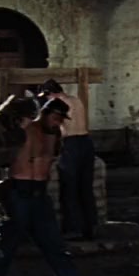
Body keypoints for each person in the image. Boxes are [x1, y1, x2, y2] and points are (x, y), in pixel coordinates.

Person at [0, 98, 103, 276]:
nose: (58, 122)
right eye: (55, 117)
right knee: (5, 248)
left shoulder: (55, 135)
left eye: (61, 119)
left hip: (40, 195)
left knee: (56, 249)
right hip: (18, 193)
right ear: (45, 113)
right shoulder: (24, 130)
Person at [39, 79, 97, 241]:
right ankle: (91, 226)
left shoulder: (57, 105)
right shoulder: (76, 100)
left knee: (69, 187)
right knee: (85, 187)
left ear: (50, 94)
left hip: (71, 143)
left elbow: (49, 126)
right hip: (86, 142)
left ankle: (74, 228)